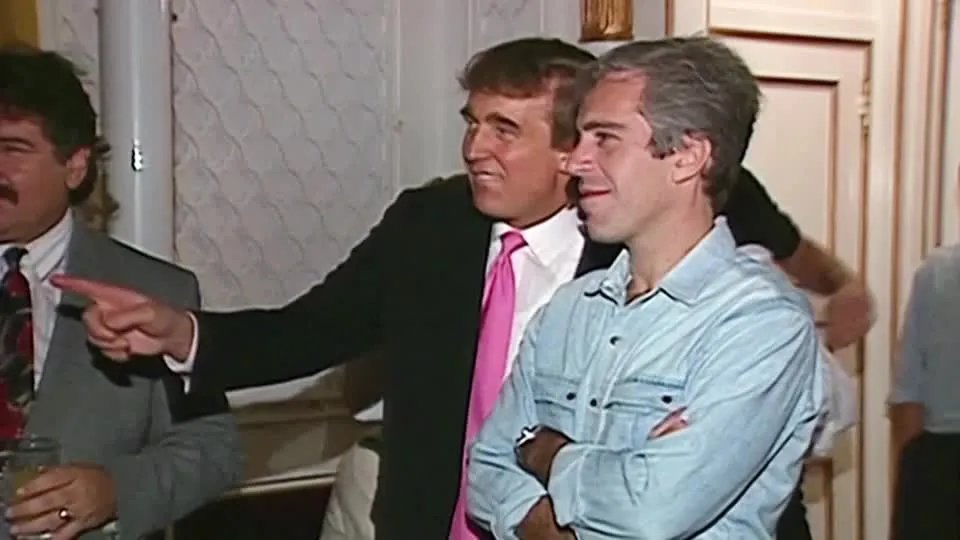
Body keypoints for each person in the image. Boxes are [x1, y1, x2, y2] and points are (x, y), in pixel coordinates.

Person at [53, 37, 871, 539]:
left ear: (568, 150)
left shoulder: (648, 250)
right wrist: (183, 332)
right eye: (472, 123)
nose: (476, 148)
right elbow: (311, 329)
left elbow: (677, 492)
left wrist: (557, 461)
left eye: (504, 129)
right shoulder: (432, 226)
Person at [467, 36, 826, 539]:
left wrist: (547, 451)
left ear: (687, 156)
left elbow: (651, 513)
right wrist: (587, 503)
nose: (574, 161)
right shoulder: (570, 308)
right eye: (580, 137)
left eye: (605, 139)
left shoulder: (762, 324)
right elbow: (484, 472)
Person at [0, 45, 242, 539]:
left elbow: (212, 448)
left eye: (11, 149)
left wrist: (115, 492)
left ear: (75, 165)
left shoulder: (154, 293)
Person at [888, 241, 960, 538]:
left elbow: (908, 393)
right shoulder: (935, 272)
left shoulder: (936, 271)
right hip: (937, 460)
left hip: (937, 462)